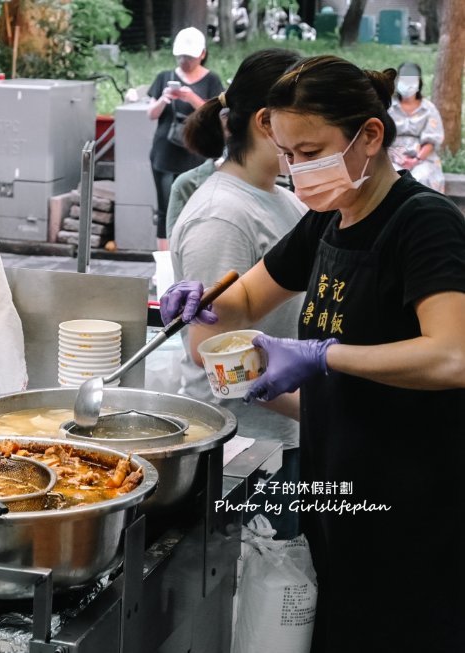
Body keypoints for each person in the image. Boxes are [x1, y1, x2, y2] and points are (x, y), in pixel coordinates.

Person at [160, 55, 465, 651]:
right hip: (343, 490)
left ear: (369, 136)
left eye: (311, 150)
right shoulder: (330, 220)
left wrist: (324, 356)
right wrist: (203, 301)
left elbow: (453, 355)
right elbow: (247, 297)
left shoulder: (421, 223)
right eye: (291, 155)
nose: (298, 169)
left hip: (413, 501)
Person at [170, 48, 305, 537]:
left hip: (285, 436)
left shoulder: (286, 200)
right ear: (268, 121)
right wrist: (324, 411)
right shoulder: (223, 216)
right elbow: (221, 362)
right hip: (245, 450)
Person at [147, 27, 224, 251]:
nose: (184, 61)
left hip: (196, 153)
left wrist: (191, 97)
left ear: (202, 54)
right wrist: (163, 99)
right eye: (181, 56)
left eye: (189, 57)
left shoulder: (212, 80)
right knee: (164, 207)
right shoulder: (164, 77)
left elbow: (215, 115)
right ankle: (164, 262)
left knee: (196, 206)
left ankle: (190, 252)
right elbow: (151, 114)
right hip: (164, 152)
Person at [388, 61, 445, 192]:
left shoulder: (428, 109)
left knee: (422, 179)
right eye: (403, 78)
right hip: (392, 158)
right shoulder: (389, 108)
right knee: (391, 181)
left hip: (422, 159)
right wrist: (397, 157)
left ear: (418, 82)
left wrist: (416, 160)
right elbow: (382, 137)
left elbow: (432, 139)